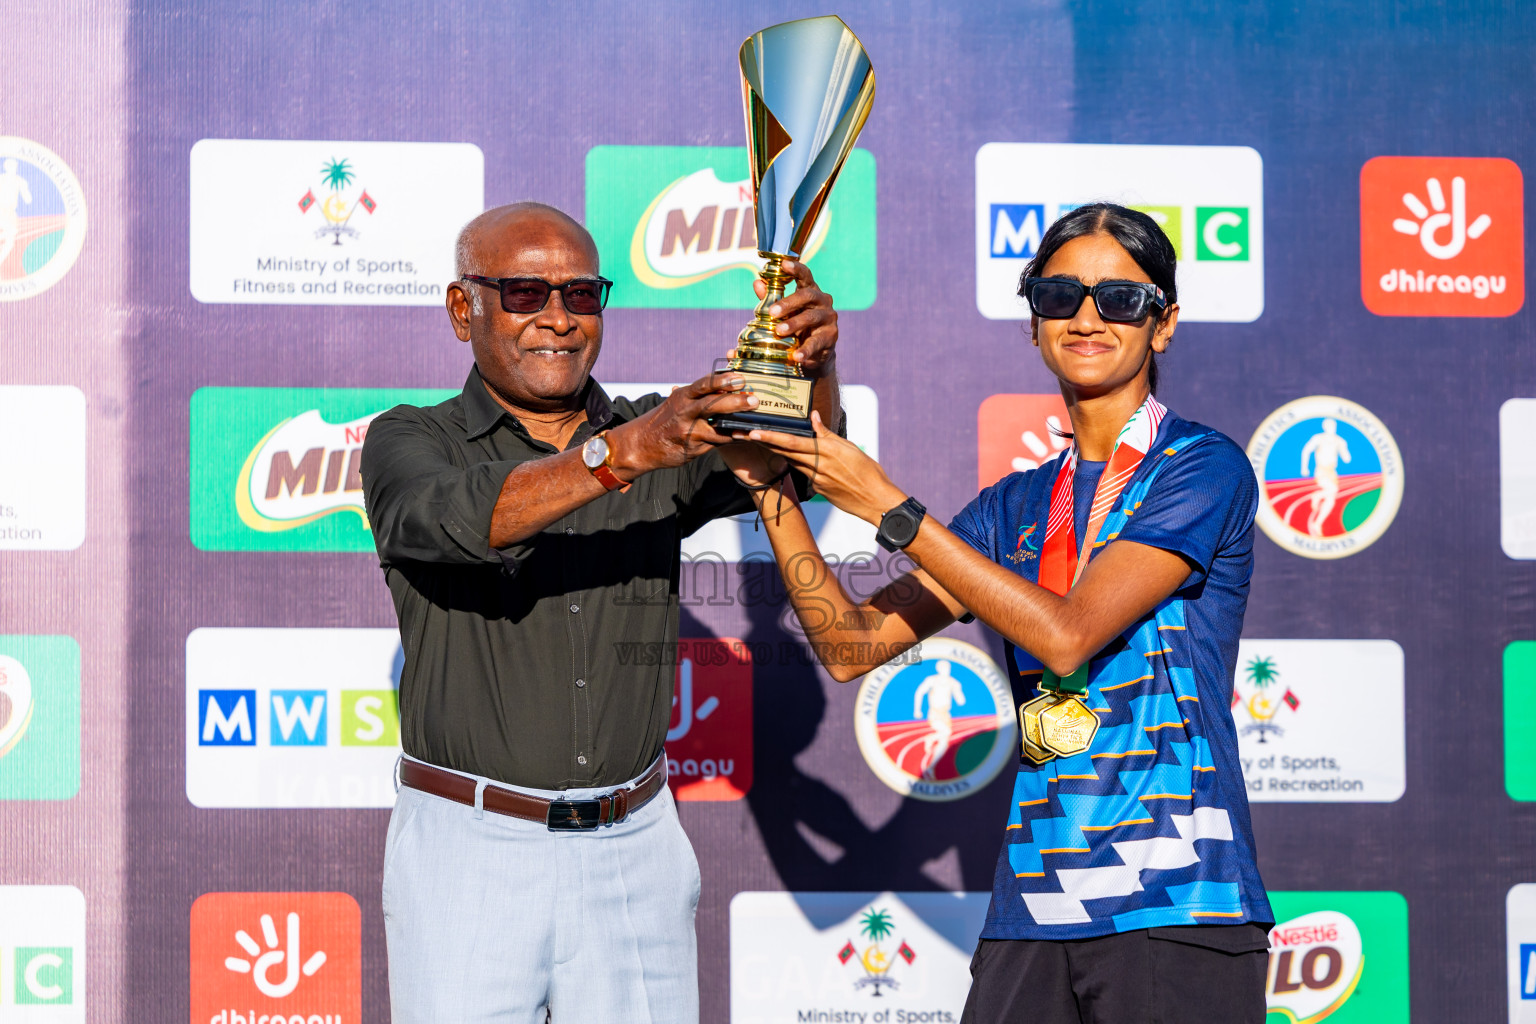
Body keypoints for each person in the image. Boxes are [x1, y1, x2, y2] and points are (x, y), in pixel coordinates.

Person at [723, 204, 1273, 1023]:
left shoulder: (1202, 466)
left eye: (1120, 299)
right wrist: (770, 486)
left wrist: (885, 503)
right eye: (1059, 295)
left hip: (1177, 901)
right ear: (1033, 322)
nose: (1087, 317)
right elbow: (848, 643)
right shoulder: (1015, 503)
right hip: (1034, 906)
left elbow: (1066, 634)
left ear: (1164, 325)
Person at [358, 201, 841, 1023]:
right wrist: (626, 452)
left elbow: (806, 457)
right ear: (461, 308)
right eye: (523, 294)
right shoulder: (412, 438)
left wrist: (815, 359)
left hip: (635, 845)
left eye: (582, 297)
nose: (557, 318)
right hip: (468, 848)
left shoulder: (659, 430)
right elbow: (461, 518)